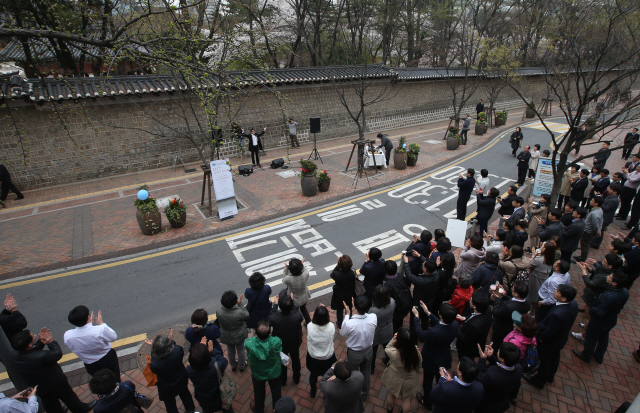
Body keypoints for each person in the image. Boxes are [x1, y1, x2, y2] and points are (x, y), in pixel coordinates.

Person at [11, 328, 97, 413]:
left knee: (50, 403)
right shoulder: (41, 356)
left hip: (39, 386)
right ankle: (80, 409)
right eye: (33, 336)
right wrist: (50, 342)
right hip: (55, 381)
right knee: (69, 397)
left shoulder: (15, 355)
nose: (34, 335)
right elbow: (57, 354)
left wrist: (40, 342)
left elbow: (33, 352)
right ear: (29, 344)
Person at [524, 285, 579, 389]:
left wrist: (542, 339)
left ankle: (539, 381)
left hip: (549, 342)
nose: (555, 292)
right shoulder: (573, 304)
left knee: (545, 361)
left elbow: (550, 331)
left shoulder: (557, 314)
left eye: (558, 291)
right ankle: (550, 375)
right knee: (554, 357)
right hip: (560, 339)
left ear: (564, 298)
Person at [574, 272, 629, 364]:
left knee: (591, 338)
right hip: (611, 319)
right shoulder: (624, 292)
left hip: (599, 321)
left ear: (614, 283)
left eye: (610, 277)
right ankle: (599, 355)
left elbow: (600, 312)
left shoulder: (609, 296)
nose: (607, 277)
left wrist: (591, 310)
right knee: (604, 337)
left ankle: (586, 355)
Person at [413, 303, 460, 410]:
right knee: (441, 379)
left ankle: (427, 401)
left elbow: (421, 333)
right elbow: (441, 323)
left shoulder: (434, 332)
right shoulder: (455, 325)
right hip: (444, 357)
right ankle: (437, 397)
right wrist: (428, 312)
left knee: (428, 381)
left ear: (440, 315)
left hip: (431, 359)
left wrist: (416, 317)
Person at [572, 255, 622, 342]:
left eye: (605, 262)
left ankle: (584, 336)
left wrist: (584, 271)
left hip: (593, 297)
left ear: (610, 266)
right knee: (588, 316)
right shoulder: (609, 270)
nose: (602, 262)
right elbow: (599, 272)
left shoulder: (605, 277)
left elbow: (590, 284)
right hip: (594, 296)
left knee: (588, 317)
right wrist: (589, 269)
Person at [146, 331, 196, 413]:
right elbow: (174, 346)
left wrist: (155, 348)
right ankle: (191, 410)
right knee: (185, 394)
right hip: (181, 379)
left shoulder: (155, 364)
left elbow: (154, 357)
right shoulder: (177, 351)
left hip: (166, 387)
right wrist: (171, 341)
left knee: (169, 403)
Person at [64, 306, 119, 378]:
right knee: (115, 377)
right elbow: (113, 337)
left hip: (90, 364)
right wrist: (101, 323)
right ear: (88, 317)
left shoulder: (68, 336)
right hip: (107, 359)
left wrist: (90, 326)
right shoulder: (100, 329)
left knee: (99, 380)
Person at [340, 295, 377, 401]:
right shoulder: (373, 317)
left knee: (353, 374)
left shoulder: (350, 323)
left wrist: (347, 314)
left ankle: (354, 394)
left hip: (354, 353)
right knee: (366, 372)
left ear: (354, 307)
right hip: (369, 351)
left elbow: (343, 333)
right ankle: (364, 394)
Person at [381, 327, 422, 413]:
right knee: (406, 399)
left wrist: (393, 339)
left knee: (391, 395)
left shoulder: (394, 353)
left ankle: (390, 408)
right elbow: (419, 364)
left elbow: (387, 348)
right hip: (409, 379)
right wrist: (417, 372)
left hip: (395, 377)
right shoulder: (416, 352)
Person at [475, 342, 524, 413]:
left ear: (502, 359)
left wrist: (482, 359)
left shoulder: (492, 375)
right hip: (502, 401)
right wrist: (491, 357)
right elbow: (504, 365)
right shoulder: (519, 368)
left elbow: (479, 377)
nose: (497, 351)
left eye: (499, 351)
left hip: (488, 405)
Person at [245, 320, 282, 413]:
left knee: (258, 392)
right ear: (270, 332)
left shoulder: (249, 343)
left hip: (258, 374)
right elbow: (279, 344)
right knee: (276, 391)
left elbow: (246, 342)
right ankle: (276, 409)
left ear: (255, 332)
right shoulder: (275, 342)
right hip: (274, 372)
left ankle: (259, 409)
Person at [187, 338, 232, 413]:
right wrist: (212, 350)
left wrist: (201, 350)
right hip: (220, 395)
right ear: (208, 358)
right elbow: (224, 361)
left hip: (203, 398)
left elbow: (198, 360)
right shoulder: (217, 367)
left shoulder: (189, 370)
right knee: (227, 409)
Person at [269, 293, 303, 386]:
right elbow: (296, 311)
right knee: (296, 360)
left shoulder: (275, 318)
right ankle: (296, 378)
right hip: (294, 342)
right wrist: (292, 302)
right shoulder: (297, 316)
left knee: (282, 363)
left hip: (281, 344)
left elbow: (271, 315)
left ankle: (283, 380)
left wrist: (275, 305)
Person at [306, 305, 337, 398]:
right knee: (327, 377)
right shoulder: (331, 327)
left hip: (313, 358)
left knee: (313, 375)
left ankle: (313, 391)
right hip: (328, 358)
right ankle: (325, 394)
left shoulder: (309, 326)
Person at [403, 255, 438, 332]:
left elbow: (409, 275)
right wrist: (420, 256)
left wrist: (406, 263)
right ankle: (424, 332)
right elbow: (431, 265)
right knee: (425, 318)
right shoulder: (436, 275)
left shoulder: (421, 281)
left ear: (425, 269)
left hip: (418, 303)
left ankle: (414, 337)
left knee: (415, 319)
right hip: (429, 301)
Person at [216, 290, 249, 372]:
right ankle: (242, 366)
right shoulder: (239, 312)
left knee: (230, 350)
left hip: (226, 334)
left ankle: (233, 365)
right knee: (241, 350)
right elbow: (246, 315)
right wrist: (240, 304)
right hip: (239, 334)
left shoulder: (219, 311)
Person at [455, 291, 492, 360]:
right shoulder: (487, 309)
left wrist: (454, 328)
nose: (469, 299)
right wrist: (465, 318)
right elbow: (474, 315)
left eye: (471, 300)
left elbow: (465, 339)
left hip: (467, 349)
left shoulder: (473, 326)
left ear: (475, 306)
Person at [491, 281, 530, 345]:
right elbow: (515, 300)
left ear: (516, 294)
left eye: (513, 290)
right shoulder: (528, 302)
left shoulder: (509, 307)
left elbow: (495, 312)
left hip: (502, 329)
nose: (511, 290)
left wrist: (498, 298)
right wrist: (505, 295)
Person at [369, 285, 395, 375]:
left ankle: (371, 368)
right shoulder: (392, 302)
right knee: (387, 347)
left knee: (373, 351)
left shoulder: (373, 311)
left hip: (376, 333)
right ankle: (388, 361)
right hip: (388, 330)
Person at [383, 260, 412, 335]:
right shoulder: (400, 276)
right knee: (399, 323)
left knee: (394, 326)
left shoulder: (387, 286)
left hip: (396, 310)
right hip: (405, 305)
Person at [528, 241, 557, 315]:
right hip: (543, 279)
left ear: (545, 249)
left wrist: (533, 256)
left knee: (534, 296)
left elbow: (529, 264)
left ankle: (532, 313)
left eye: (543, 246)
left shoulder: (538, 260)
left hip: (535, 279)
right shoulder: (550, 258)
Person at [330, 255, 357, 328]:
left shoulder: (337, 274)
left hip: (339, 295)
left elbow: (332, 274)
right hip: (350, 294)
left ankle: (339, 324)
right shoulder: (352, 273)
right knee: (349, 308)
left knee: (339, 309)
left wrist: (338, 264)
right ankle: (348, 321)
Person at [591, 183, 621, 248]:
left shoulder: (614, 200)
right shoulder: (610, 196)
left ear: (615, 192)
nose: (608, 189)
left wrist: (599, 201)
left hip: (605, 218)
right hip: (603, 217)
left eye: (610, 188)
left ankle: (594, 243)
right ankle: (595, 243)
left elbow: (606, 208)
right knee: (600, 230)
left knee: (599, 230)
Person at [282, 258, 311, 324]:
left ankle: (299, 328)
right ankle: (308, 323)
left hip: (294, 300)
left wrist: (286, 269)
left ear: (290, 269)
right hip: (304, 297)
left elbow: (284, 278)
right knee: (304, 310)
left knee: (295, 313)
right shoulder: (305, 274)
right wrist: (301, 264)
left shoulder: (288, 279)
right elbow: (305, 269)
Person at [575, 196, 604, 262]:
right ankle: (582, 256)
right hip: (589, 231)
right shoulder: (600, 210)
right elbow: (601, 221)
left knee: (585, 245)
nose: (590, 201)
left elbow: (595, 225)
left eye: (592, 200)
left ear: (596, 203)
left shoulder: (594, 214)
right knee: (584, 244)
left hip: (587, 231)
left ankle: (582, 259)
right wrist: (599, 229)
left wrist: (597, 231)